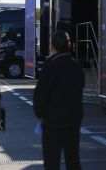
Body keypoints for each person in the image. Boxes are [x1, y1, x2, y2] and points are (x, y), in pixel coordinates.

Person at [33, 31, 85, 170]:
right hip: (73, 122)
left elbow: (40, 95)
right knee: (73, 160)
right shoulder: (76, 66)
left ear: (52, 46)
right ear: (69, 45)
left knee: (51, 162)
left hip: (52, 123)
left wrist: (40, 113)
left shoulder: (50, 66)